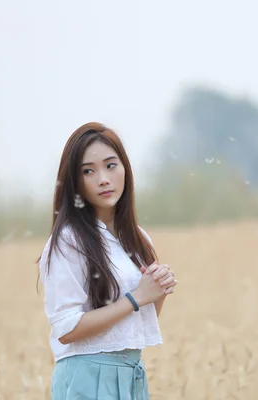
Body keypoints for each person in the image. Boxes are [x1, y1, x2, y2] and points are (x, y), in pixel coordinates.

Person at [37, 122, 177, 399]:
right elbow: (67, 328)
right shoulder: (68, 240)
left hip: (131, 373)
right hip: (87, 376)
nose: (103, 178)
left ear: (125, 168)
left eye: (111, 165)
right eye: (88, 171)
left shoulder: (137, 238)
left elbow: (130, 324)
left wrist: (156, 291)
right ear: (74, 183)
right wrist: (137, 297)